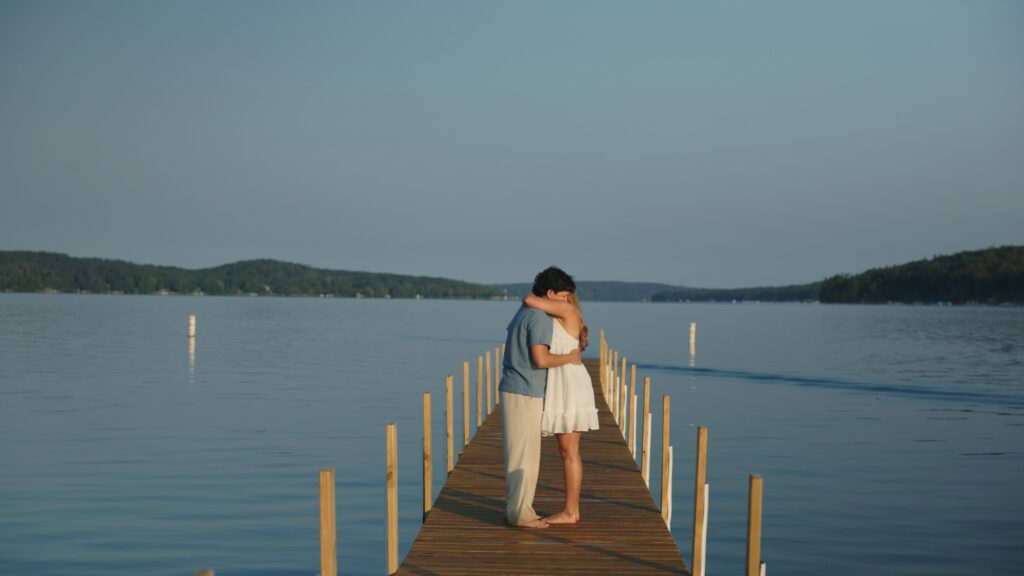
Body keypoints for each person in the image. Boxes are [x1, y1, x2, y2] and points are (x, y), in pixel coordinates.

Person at [499, 266, 582, 529]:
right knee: (524, 457)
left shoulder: (525, 312)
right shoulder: (539, 318)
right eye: (564, 296)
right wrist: (570, 357)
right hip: (525, 390)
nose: (566, 302)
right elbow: (541, 359)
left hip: (516, 387)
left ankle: (520, 509)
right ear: (550, 293)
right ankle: (520, 515)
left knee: (521, 454)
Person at [523, 289, 599, 525]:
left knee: (569, 452)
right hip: (565, 382)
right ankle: (571, 510)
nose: (563, 299)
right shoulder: (557, 314)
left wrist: (545, 295)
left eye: (566, 295)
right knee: (568, 452)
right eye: (561, 294)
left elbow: (528, 299)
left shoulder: (567, 310)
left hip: (569, 385)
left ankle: (570, 511)